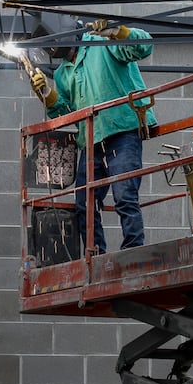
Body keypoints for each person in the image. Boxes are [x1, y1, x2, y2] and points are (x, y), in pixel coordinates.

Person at [27, 18, 156, 253]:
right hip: (91, 141)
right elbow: (68, 112)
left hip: (122, 131)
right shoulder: (64, 72)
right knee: (84, 204)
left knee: (124, 195)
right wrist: (48, 93)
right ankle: (95, 255)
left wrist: (119, 32)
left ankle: (133, 250)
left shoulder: (101, 43)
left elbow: (143, 47)